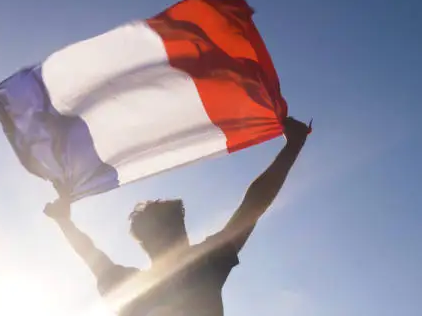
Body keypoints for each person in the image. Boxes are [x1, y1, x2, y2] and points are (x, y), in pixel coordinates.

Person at [44, 117, 310, 316]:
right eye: (178, 229)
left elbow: (90, 253)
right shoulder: (201, 266)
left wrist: (64, 222)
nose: (184, 236)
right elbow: (253, 206)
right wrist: (292, 147)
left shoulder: (131, 283)